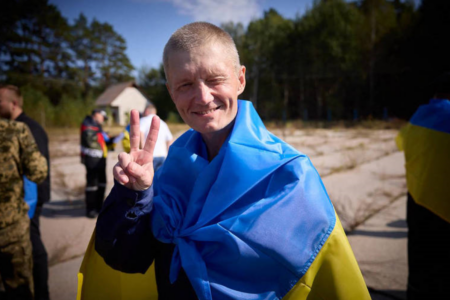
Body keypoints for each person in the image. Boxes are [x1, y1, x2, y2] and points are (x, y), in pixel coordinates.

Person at [79, 22, 369, 300]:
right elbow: (126, 258)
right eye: (185, 85)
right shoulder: (168, 172)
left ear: (240, 79)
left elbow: (323, 282)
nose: (203, 97)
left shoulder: (290, 176)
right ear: (170, 92)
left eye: (215, 79)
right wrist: (136, 193)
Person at [396, 74, 450, 300]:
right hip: (444, 205)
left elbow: (401, 142)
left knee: (420, 262)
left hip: (417, 201)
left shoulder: (420, 115)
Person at [0, 85, 51, 300]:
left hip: (25, 206)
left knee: (34, 253)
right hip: (17, 211)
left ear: (13, 103)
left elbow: (37, 173)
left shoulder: (27, 128)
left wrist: (30, 204)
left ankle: (41, 294)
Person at [80, 109, 112, 219]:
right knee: (92, 185)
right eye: (103, 117)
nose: (103, 120)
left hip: (101, 159)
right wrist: (103, 137)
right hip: (92, 160)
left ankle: (99, 207)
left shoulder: (97, 126)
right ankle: (91, 209)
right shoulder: (87, 124)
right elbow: (91, 140)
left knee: (102, 183)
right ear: (97, 114)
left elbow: (101, 140)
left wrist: (110, 140)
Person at [139, 104, 173, 171]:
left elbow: (140, 134)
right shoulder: (163, 123)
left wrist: (142, 150)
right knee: (159, 179)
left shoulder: (143, 120)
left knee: (148, 179)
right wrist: (168, 156)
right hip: (162, 156)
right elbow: (170, 139)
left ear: (146, 111)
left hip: (150, 156)